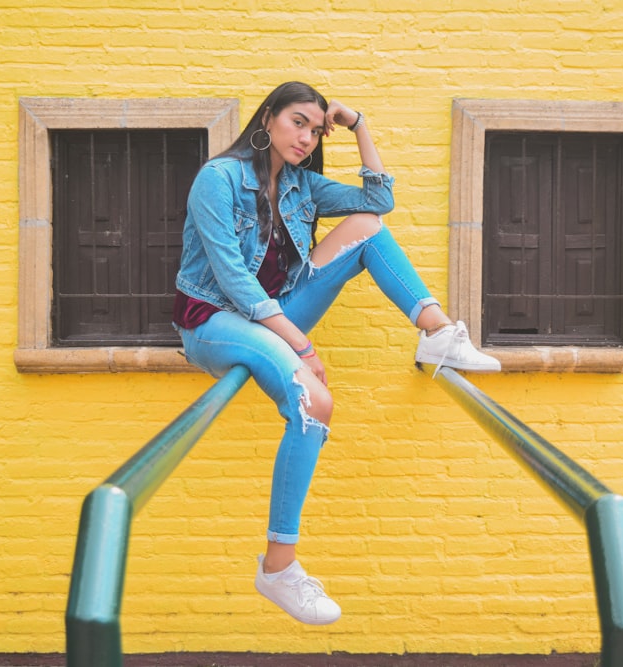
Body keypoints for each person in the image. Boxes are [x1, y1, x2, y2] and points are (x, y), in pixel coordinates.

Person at [173, 81, 500, 625]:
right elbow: (233, 279)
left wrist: (358, 125)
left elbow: (379, 201)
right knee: (314, 403)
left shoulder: (302, 187)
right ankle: (279, 568)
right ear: (268, 119)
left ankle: (437, 331)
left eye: (315, 128)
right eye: (297, 122)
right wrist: (300, 346)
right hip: (214, 319)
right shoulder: (219, 179)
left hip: (278, 316)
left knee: (368, 229)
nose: (305, 137)